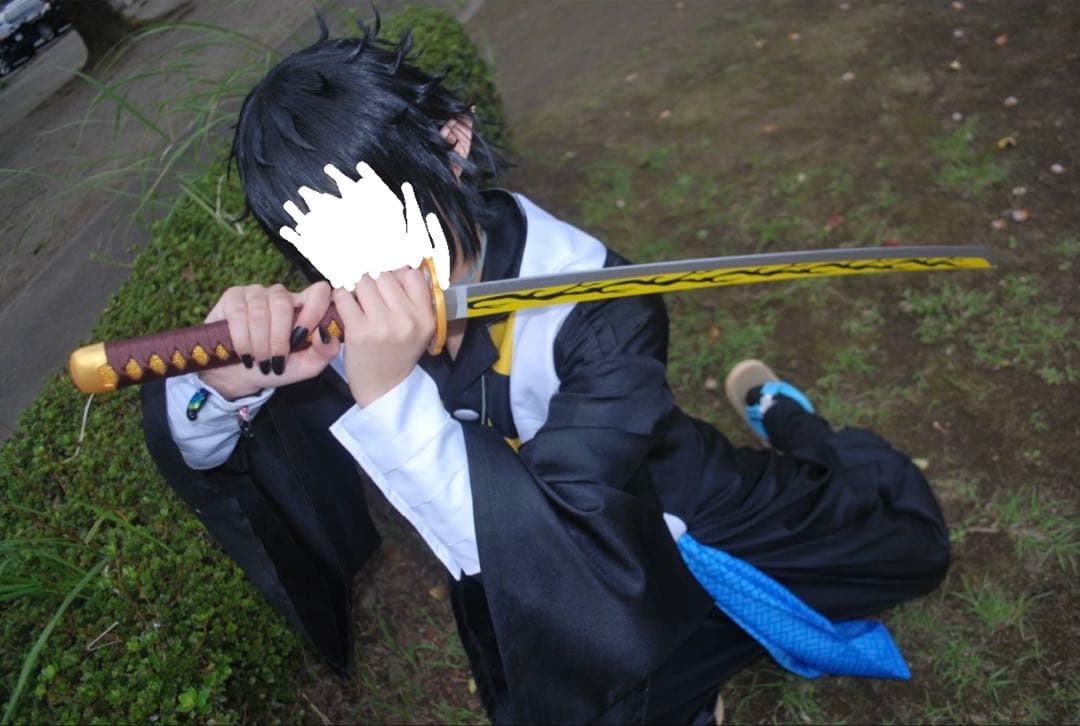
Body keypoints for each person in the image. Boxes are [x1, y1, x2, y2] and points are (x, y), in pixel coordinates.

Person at [140, 20, 951, 725]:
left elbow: (555, 542)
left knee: (911, 546)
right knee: (578, 688)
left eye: (378, 215)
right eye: (320, 239)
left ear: (451, 145)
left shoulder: (600, 300)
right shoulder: (341, 323)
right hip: (551, 586)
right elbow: (220, 457)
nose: (364, 266)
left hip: (678, 507)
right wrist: (226, 384)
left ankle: (786, 416)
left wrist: (386, 399)